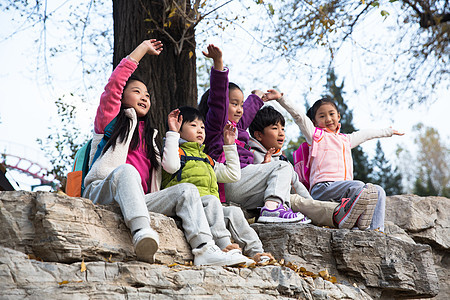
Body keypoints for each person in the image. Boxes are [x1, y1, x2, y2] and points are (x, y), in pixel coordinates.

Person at [83, 39, 249, 267]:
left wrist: (172, 132)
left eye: (148, 95)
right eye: (136, 91)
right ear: (122, 98)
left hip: (139, 200)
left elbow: (170, 167)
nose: (144, 97)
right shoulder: (110, 123)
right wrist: (141, 49)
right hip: (104, 191)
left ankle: (204, 249)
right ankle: (142, 233)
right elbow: (114, 85)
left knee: (187, 190)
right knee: (127, 171)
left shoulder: (152, 139)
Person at [198, 44, 309, 224]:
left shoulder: (237, 128)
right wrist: (218, 63)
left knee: (282, 172)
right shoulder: (217, 127)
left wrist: (258, 97)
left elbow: (248, 111)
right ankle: (273, 209)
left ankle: (278, 208)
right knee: (281, 166)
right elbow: (219, 99)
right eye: (234, 104)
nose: (240, 109)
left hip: (243, 186)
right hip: (229, 182)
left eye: (241, 104)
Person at [265, 90, 403, 231]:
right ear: (314, 121)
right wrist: (281, 98)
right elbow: (299, 116)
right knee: (360, 186)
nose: (328, 119)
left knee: (378, 190)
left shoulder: (346, 139)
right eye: (322, 116)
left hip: (344, 190)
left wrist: (388, 131)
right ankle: (358, 223)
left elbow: (366, 134)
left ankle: (376, 230)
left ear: (339, 116)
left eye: (331, 114)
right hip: (323, 188)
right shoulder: (315, 136)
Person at [161, 106, 274, 264]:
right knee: (213, 201)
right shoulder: (176, 152)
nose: (200, 130)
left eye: (202, 127)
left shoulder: (207, 159)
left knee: (233, 212)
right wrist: (172, 133)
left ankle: (258, 253)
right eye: (193, 125)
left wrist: (229, 145)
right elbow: (171, 166)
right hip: (188, 207)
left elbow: (233, 175)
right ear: (179, 129)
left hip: (209, 208)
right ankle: (225, 246)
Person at [248, 105, 379, 229]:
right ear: (259, 135)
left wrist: (312, 201)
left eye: (283, 128)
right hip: (264, 204)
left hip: (283, 203)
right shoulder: (252, 154)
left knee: (303, 201)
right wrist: (264, 166)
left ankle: (350, 216)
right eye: (275, 128)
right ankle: (340, 215)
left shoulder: (282, 159)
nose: (281, 133)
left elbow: (296, 185)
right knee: (296, 201)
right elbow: (252, 183)